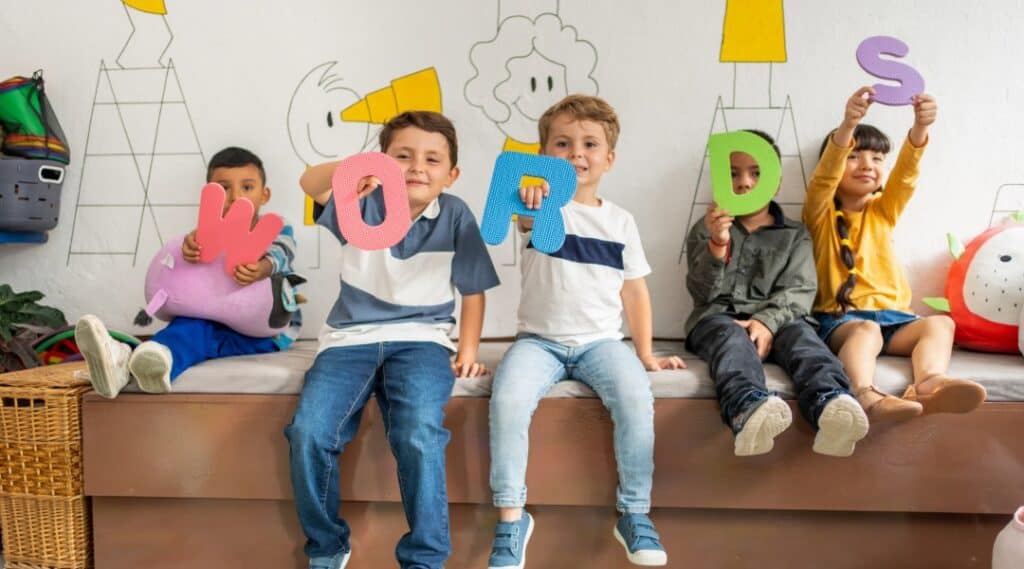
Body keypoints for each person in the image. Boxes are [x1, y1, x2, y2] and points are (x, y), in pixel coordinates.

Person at [286, 111, 500, 569]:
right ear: (383, 162)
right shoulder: (361, 202)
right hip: (349, 339)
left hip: (422, 341)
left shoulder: (457, 213)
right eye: (402, 157)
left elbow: (474, 289)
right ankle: (326, 547)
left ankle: (424, 559)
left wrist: (467, 351)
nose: (416, 167)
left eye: (431, 159)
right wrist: (355, 171)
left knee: (417, 433)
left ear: (451, 174)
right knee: (309, 432)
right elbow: (309, 182)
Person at [487, 94, 684, 569]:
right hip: (539, 341)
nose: (576, 152)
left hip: (601, 343)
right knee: (508, 400)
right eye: (562, 143)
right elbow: (523, 214)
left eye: (589, 144)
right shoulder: (535, 205)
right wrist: (530, 196)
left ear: (608, 159)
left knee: (636, 399)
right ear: (543, 155)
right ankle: (511, 518)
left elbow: (634, 293)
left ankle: (634, 512)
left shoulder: (620, 222)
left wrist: (646, 354)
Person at [803, 87, 985, 422]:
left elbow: (905, 177)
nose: (866, 165)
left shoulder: (883, 211)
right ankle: (864, 394)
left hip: (896, 319)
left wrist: (920, 129)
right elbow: (822, 180)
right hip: (844, 320)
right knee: (866, 332)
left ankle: (929, 383)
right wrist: (848, 125)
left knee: (941, 323)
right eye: (854, 156)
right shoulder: (820, 214)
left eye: (876, 158)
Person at [685, 129, 869, 459]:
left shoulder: (795, 235)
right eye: (733, 175)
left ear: (775, 180)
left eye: (757, 173)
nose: (744, 183)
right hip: (718, 318)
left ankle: (832, 404)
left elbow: (799, 290)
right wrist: (718, 243)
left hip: (782, 320)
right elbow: (701, 292)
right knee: (729, 338)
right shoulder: (706, 227)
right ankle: (747, 407)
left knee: (804, 339)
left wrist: (766, 322)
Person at [75, 146, 300, 397]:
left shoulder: (275, 229)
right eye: (224, 188)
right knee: (189, 327)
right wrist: (191, 250)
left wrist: (264, 267)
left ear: (264, 194)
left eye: (247, 187)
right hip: (213, 317)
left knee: (196, 334)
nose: (236, 196)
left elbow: (284, 251)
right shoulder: (209, 231)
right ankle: (126, 362)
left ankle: (132, 359)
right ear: (209, 195)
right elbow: (194, 279)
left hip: (262, 333)